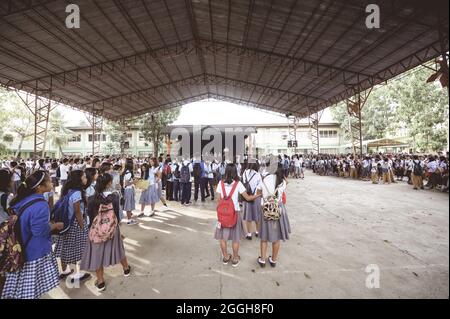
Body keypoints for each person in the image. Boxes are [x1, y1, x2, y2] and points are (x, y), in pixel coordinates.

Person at [1, 171, 64, 299]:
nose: (52, 182)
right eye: (49, 180)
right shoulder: (41, 205)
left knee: (21, 289)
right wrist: (55, 225)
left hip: (20, 249)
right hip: (34, 253)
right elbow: (39, 231)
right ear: (39, 187)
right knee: (31, 291)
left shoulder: (23, 199)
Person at [81, 173, 131, 292]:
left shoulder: (92, 199)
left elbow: (91, 216)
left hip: (97, 230)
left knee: (97, 255)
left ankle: (101, 281)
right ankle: (126, 269)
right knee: (119, 249)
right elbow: (118, 215)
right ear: (109, 183)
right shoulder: (114, 196)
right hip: (113, 228)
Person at [214, 164, 261, 267]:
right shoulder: (238, 184)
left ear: (225, 172)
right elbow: (248, 198)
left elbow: (218, 200)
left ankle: (226, 257)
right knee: (235, 238)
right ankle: (235, 259)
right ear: (236, 172)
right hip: (235, 213)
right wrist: (258, 195)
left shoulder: (220, 183)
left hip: (222, 215)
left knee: (222, 238)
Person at [54, 170, 91, 283]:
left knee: (65, 247)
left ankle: (64, 270)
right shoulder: (77, 193)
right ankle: (78, 273)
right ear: (78, 179)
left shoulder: (67, 190)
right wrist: (82, 226)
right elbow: (78, 212)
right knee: (79, 248)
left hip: (66, 222)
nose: (86, 179)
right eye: (84, 177)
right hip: (75, 223)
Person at [256, 164, 291, 268]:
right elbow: (287, 183)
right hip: (278, 210)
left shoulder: (264, 179)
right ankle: (273, 260)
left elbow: (258, 193)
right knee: (277, 238)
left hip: (266, 209)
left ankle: (262, 260)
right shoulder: (282, 182)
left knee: (264, 237)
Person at [242, 162, 262, 240]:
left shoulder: (244, 173)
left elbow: (243, 183)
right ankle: (257, 232)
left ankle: (249, 234)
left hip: (247, 197)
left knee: (248, 216)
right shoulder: (258, 175)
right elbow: (260, 187)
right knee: (257, 215)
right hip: (256, 197)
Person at [122, 159, 138, 225]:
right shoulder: (128, 173)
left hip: (129, 189)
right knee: (128, 205)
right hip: (128, 190)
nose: (134, 165)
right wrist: (133, 182)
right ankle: (129, 220)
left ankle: (130, 219)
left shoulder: (127, 172)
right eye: (133, 163)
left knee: (129, 205)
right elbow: (126, 183)